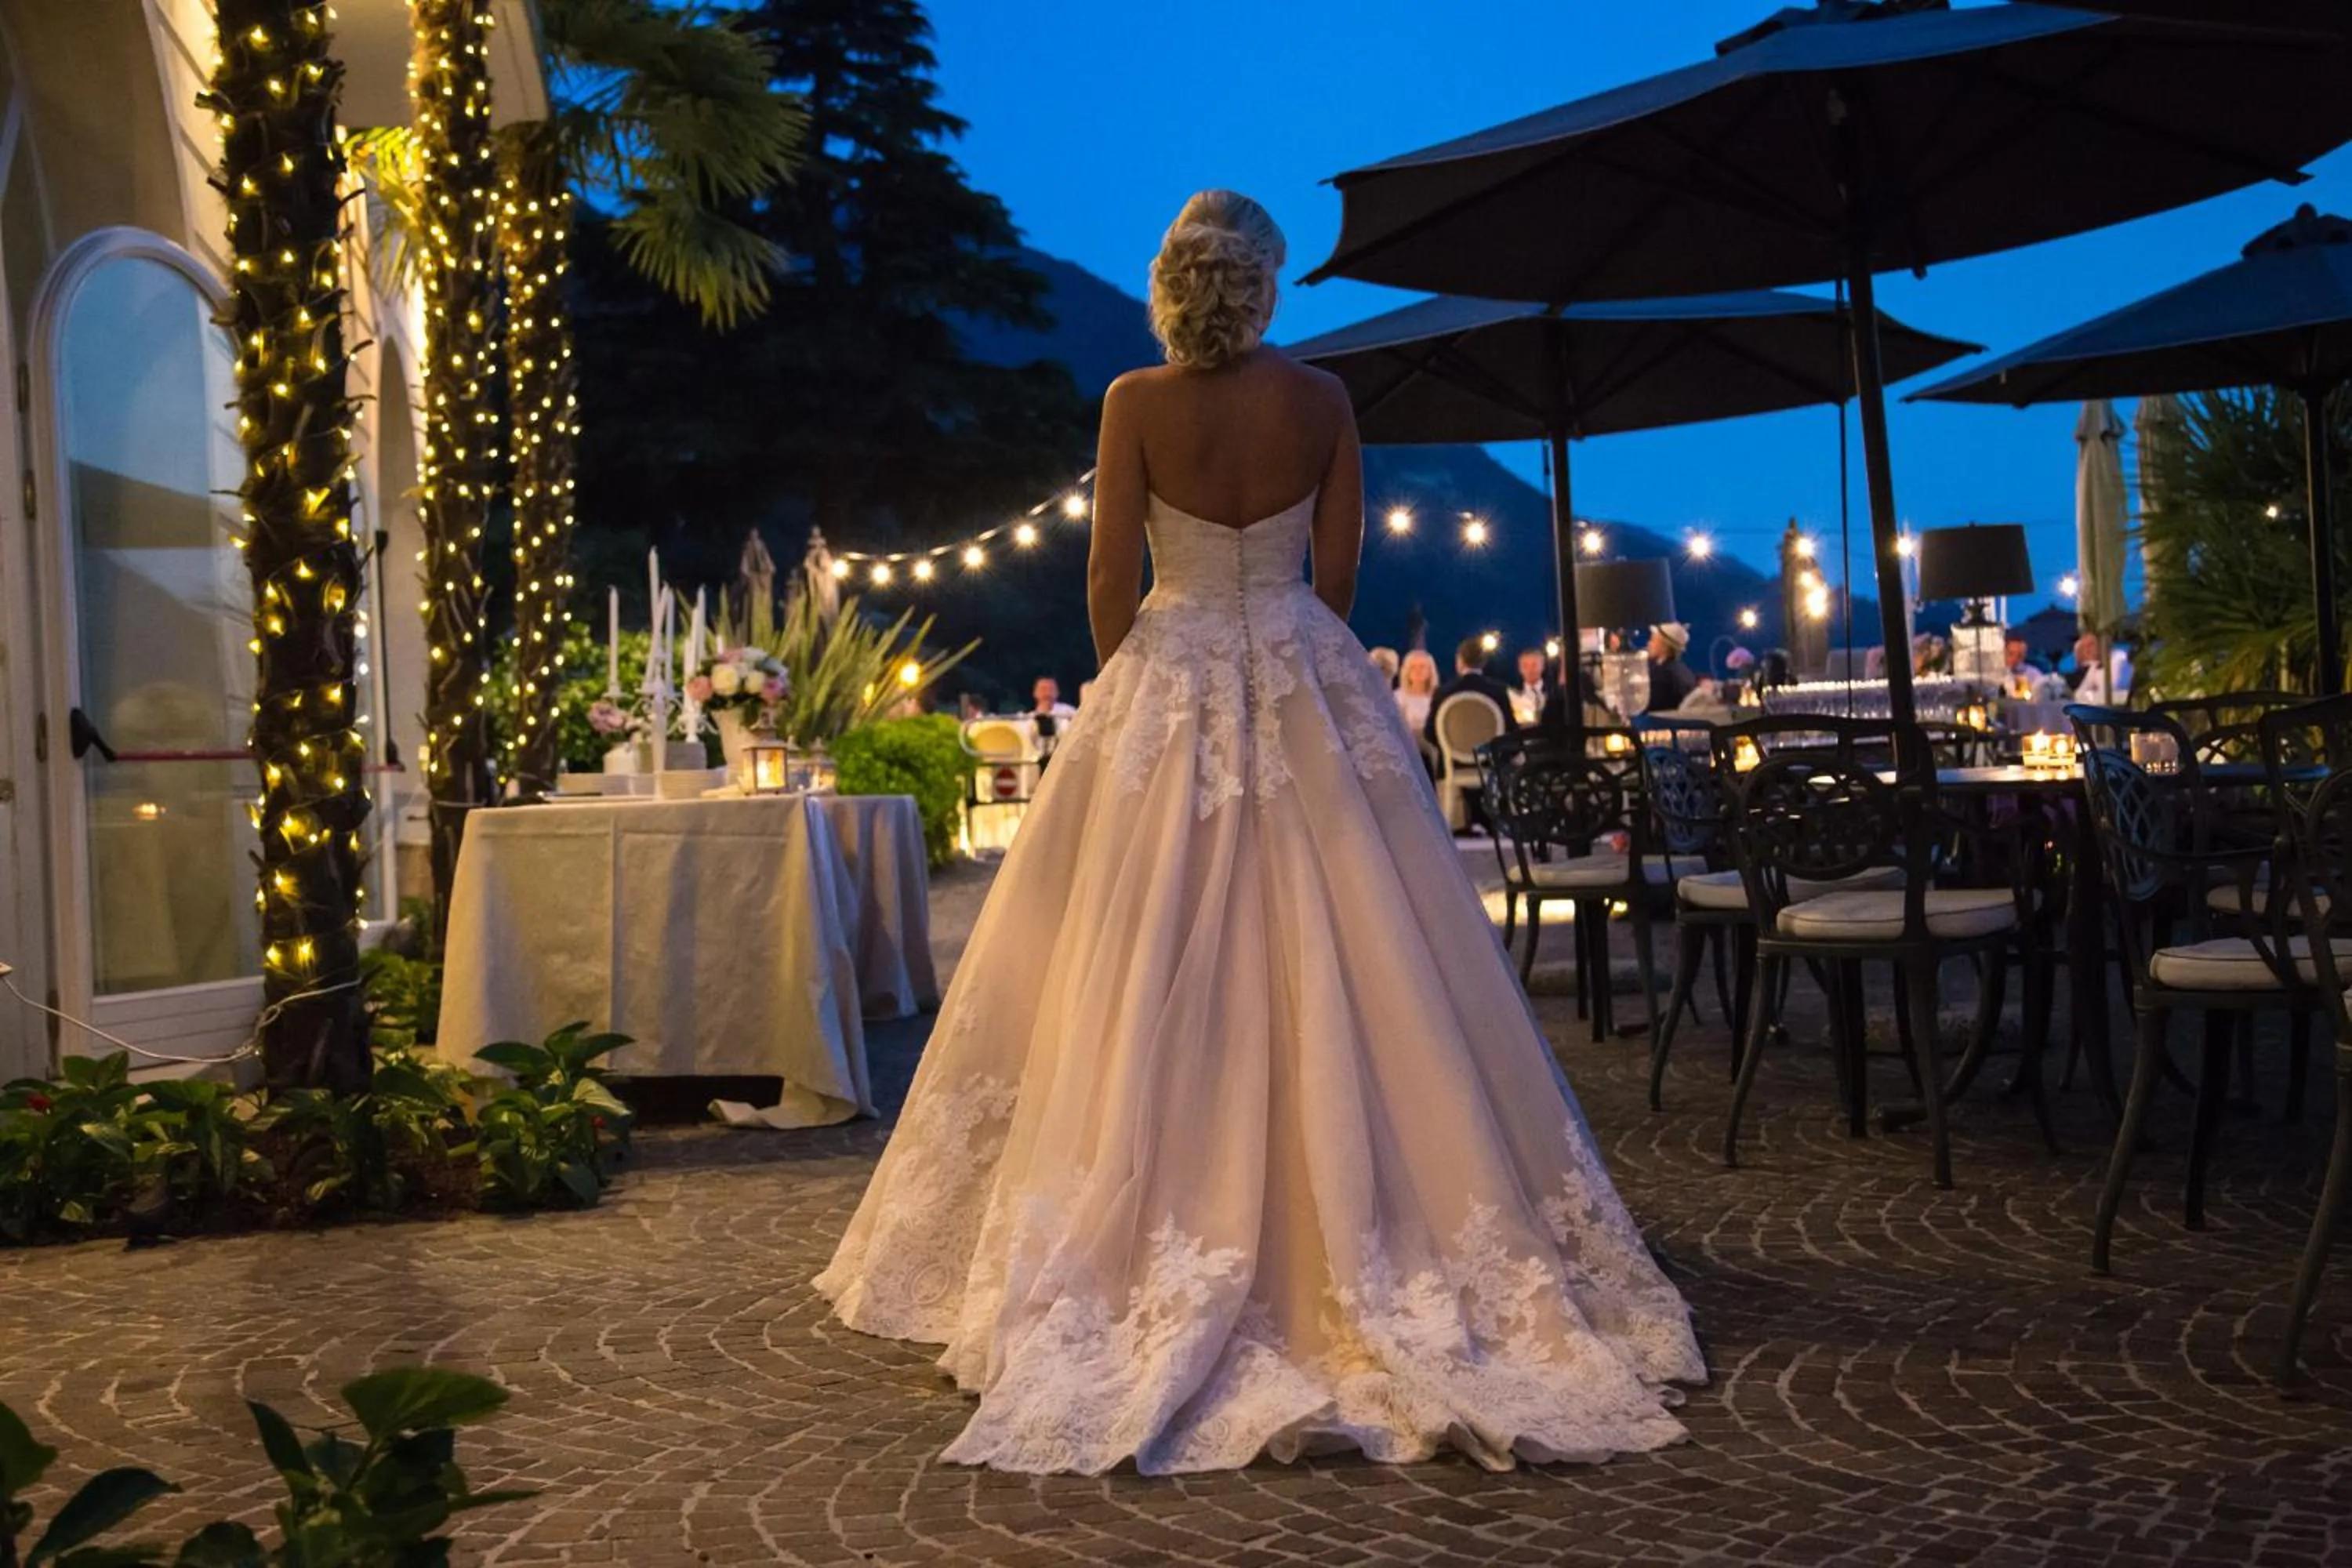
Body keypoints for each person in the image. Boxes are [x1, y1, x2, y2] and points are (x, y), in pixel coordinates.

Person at [816, 189, 1700, 1476]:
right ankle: (1380, 1237)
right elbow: (1332, 581)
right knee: (1368, 955)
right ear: (1268, 284)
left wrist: (1140, 701)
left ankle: (1139, 1229)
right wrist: (1282, 657)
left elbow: (1107, 576)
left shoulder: (1132, 404)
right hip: (1300, 679)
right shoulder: (1327, 404)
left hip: (1165, 684)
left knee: (1134, 960)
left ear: (1172, 284)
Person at [1422, 635, 1520, 753]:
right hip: (1491, 764)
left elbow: (1429, 733)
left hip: (1454, 764)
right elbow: (1511, 730)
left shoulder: (1443, 693)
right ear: (1483, 662)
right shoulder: (1497, 691)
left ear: (1460, 660)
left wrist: (1453, 750)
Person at [1644, 622, 1699, 713]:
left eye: (1653, 640)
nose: (1648, 644)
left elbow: (1648, 708)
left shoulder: (1662, 675)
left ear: (1664, 646)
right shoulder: (1682, 670)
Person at [1394, 648, 1439, 736]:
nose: (1418, 671)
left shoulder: (1438, 697)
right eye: (1413, 667)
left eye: (1422, 667)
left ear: (1430, 671)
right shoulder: (1397, 697)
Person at [1509, 648, 1548, 726]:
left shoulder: (1552, 693)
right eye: (1525, 666)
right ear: (1520, 669)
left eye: (1534, 665)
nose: (1530, 670)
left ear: (1543, 667)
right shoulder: (1512, 694)